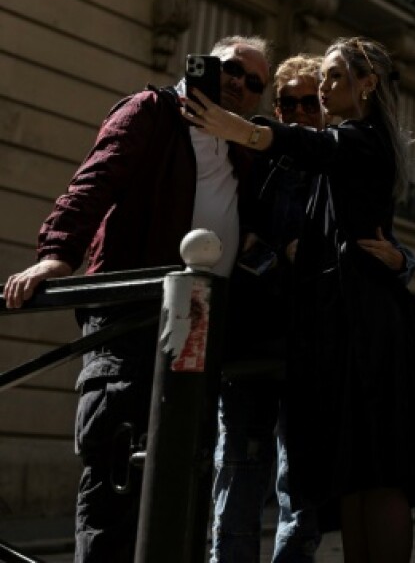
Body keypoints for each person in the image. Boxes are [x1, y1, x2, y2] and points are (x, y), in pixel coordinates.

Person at [4, 35, 271, 562]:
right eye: (230, 69)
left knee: (181, 481)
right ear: (204, 66)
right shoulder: (152, 110)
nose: (240, 83)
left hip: (198, 326)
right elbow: (95, 180)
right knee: (117, 473)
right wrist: (57, 255)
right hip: (132, 316)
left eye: (255, 82)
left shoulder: (242, 150)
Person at [186, 37, 415, 562]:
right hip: (339, 326)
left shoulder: (360, 139)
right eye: (319, 78)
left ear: (366, 83)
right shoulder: (353, 143)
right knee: (352, 475)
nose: (322, 90)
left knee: (380, 473)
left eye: (332, 78)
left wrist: (243, 129)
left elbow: (307, 146)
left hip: (366, 327)